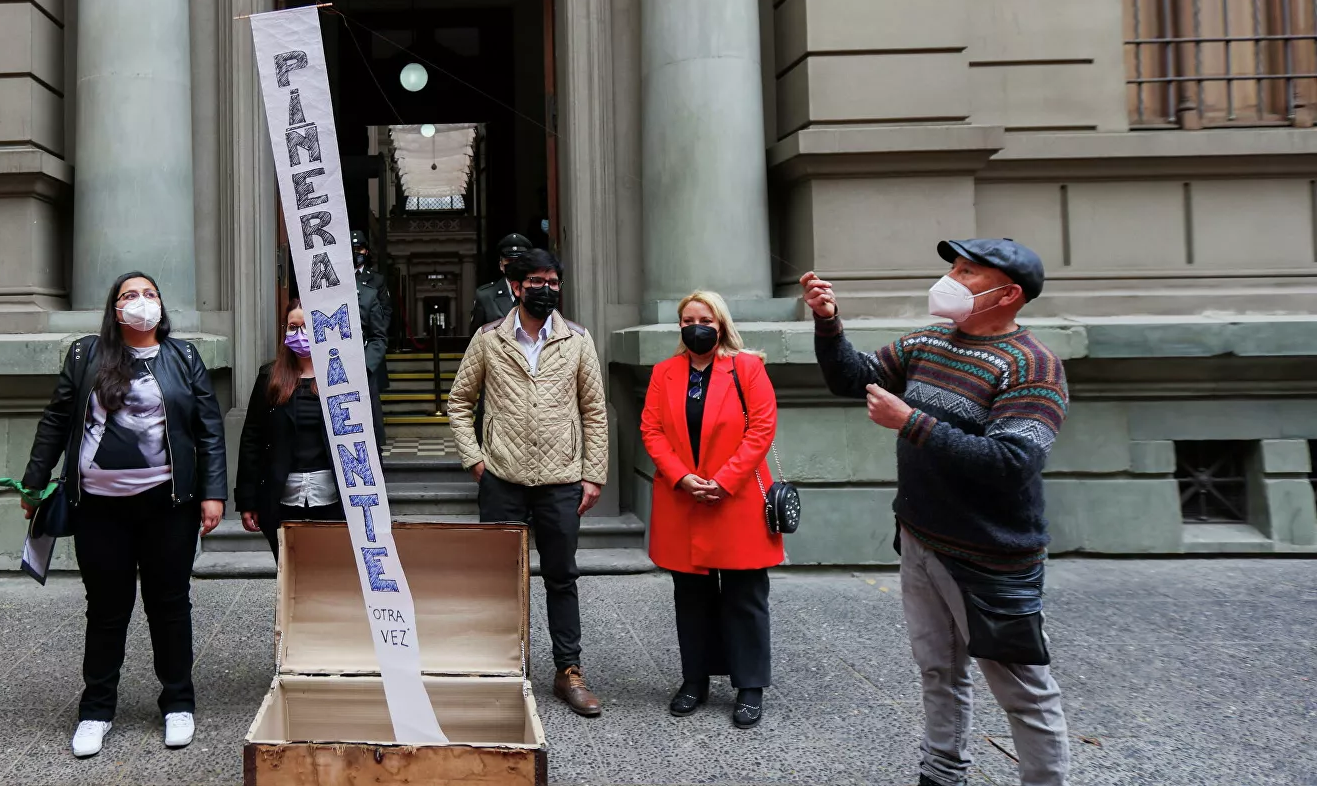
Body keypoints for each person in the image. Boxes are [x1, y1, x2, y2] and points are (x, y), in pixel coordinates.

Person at [801, 238, 1070, 786]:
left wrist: (911, 423)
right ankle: (943, 773)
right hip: (922, 539)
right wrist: (829, 322)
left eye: (967, 272)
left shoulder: (1032, 366)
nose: (950, 278)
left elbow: (1011, 462)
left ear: (1008, 294)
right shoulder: (930, 341)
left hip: (991, 559)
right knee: (938, 670)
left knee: (1022, 691)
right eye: (952, 267)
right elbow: (854, 378)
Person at [20, 272, 227, 759]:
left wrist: (213, 493)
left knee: (170, 605)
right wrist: (33, 480)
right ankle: (96, 711)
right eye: (129, 296)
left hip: (167, 506)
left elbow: (209, 429)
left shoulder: (183, 357)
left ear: (162, 305)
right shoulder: (86, 355)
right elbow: (56, 418)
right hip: (97, 509)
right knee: (107, 610)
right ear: (115, 310)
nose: (140, 302)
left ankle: (178, 702)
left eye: (149, 294)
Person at [445, 248, 609, 717]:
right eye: (536, 281)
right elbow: (459, 401)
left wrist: (593, 474)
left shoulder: (578, 339)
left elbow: (594, 410)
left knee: (562, 577)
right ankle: (502, 669)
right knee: (498, 578)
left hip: (561, 480)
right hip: (502, 478)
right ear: (516, 287)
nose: (547, 289)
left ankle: (568, 671)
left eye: (553, 281)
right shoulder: (488, 338)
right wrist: (475, 460)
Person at [639, 291, 782, 729]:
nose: (694, 326)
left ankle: (750, 686)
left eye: (703, 318)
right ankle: (694, 681)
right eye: (687, 319)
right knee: (691, 597)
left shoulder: (747, 367)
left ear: (720, 324)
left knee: (745, 594)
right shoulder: (665, 372)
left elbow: (761, 428)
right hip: (683, 499)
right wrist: (682, 476)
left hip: (736, 500)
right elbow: (651, 429)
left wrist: (724, 480)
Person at [235, 301, 346, 553]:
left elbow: (368, 439)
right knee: (288, 574)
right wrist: (247, 499)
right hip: (280, 497)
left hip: (333, 498)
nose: (300, 334)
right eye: (294, 327)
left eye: (308, 326)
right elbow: (251, 438)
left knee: (329, 574)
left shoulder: (344, 377)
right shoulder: (269, 377)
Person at [352, 230, 393, 407]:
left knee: (372, 395)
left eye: (359, 249)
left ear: (366, 251)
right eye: (352, 248)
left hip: (369, 343)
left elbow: (386, 310)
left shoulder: (376, 279)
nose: (356, 253)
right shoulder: (337, 278)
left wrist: (376, 334)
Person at [468, 232, 532, 331]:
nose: (515, 265)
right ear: (501, 265)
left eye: (519, 261)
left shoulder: (538, 291)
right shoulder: (485, 296)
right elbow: (476, 336)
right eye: (510, 261)